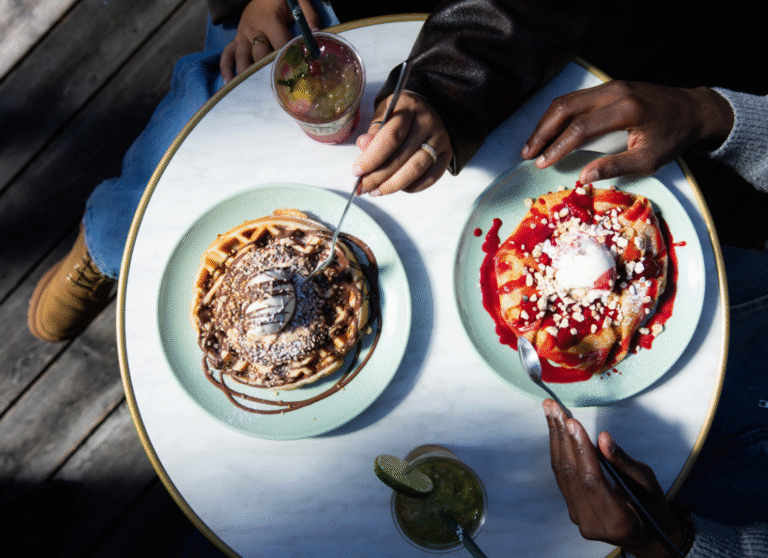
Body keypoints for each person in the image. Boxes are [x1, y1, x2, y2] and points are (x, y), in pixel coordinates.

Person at [27, 0, 442, 342]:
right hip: (301, 11)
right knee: (198, 128)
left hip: (440, 30)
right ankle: (111, 237)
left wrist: (458, 76)